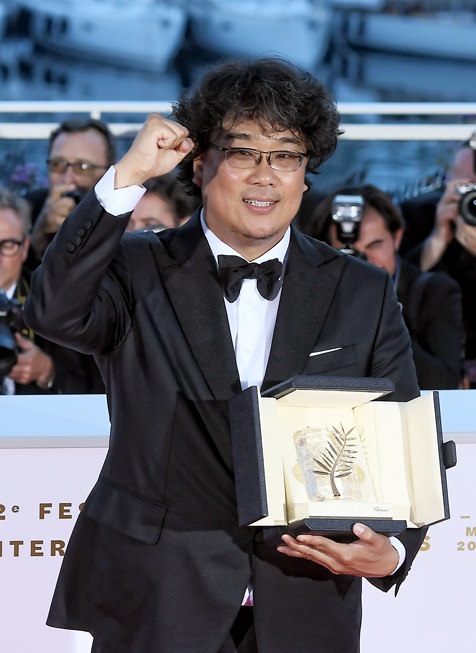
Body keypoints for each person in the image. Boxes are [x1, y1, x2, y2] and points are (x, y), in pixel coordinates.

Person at [25, 58, 426, 653]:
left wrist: (392, 550)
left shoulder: (360, 289)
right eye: (243, 153)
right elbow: (52, 311)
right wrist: (127, 174)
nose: (265, 176)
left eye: (286, 155)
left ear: (306, 174)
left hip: (308, 601)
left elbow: (405, 438)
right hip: (158, 599)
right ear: (200, 164)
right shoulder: (136, 267)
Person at [306, 184, 465, 390]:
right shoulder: (312, 295)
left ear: (397, 237)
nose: (365, 261)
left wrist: (379, 314)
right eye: (349, 251)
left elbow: (444, 383)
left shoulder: (434, 292)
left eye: (375, 245)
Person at [0, 188, 104, 395]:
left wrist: (47, 371)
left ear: (25, 248)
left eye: (8, 245)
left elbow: (95, 389)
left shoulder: (56, 300)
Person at [399, 134, 476, 387]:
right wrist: (437, 239)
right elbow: (397, 288)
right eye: (467, 188)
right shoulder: (418, 214)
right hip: (431, 362)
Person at [25, 117, 117, 266]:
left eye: (83, 167)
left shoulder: (123, 213)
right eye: (58, 164)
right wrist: (40, 234)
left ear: (108, 172)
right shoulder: (27, 209)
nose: (68, 179)